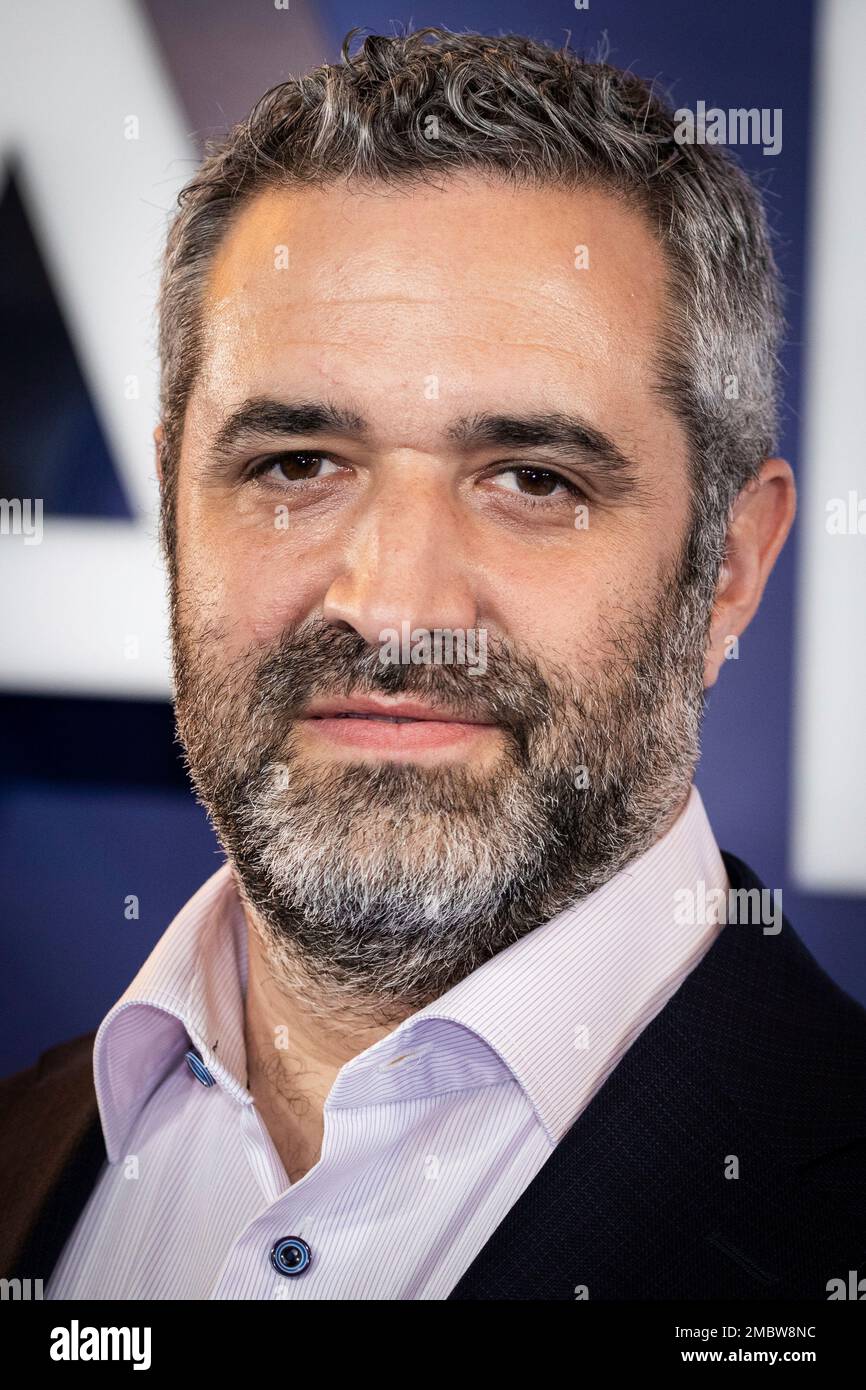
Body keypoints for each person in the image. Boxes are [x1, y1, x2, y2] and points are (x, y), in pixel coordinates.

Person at [2, 26, 864, 1301]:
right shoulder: (26, 1148)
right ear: (176, 504)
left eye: (530, 479)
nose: (395, 608)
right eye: (295, 466)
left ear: (728, 566)